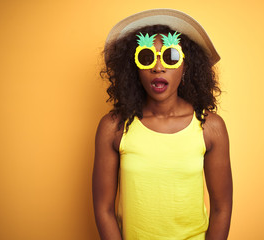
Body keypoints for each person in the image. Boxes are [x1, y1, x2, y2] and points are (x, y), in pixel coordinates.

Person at [92, 9, 232, 240]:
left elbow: (222, 208)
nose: (158, 67)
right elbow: (103, 209)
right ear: (134, 68)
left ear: (186, 66)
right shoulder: (114, 127)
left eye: (171, 57)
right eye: (146, 57)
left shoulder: (210, 127)